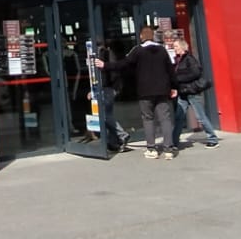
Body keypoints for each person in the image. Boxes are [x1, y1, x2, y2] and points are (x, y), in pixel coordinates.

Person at [94, 25, 177, 160]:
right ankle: (168, 149)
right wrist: (174, 87)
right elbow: (170, 70)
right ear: (153, 36)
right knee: (165, 119)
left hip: (145, 91)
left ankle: (151, 149)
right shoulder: (162, 50)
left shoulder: (138, 50)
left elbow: (123, 64)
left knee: (148, 119)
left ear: (141, 37)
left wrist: (105, 65)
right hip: (162, 90)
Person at [170, 38, 221, 149]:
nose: (174, 49)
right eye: (174, 47)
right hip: (183, 93)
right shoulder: (179, 60)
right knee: (179, 118)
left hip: (192, 92)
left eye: (176, 46)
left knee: (200, 117)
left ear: (182, 47)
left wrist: (179, 78)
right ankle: (174, 142)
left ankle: (213, 139)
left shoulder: (189, 59)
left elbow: (196, 73)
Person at [94, 41, 131, 152]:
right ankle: (113, 142)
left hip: (108, 88)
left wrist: (107, 86)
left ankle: (122, 135)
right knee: (107, 114)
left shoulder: (105, 54)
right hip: (106, 87)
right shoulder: (103, 54)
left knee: (105, 115)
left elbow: (112, 72)